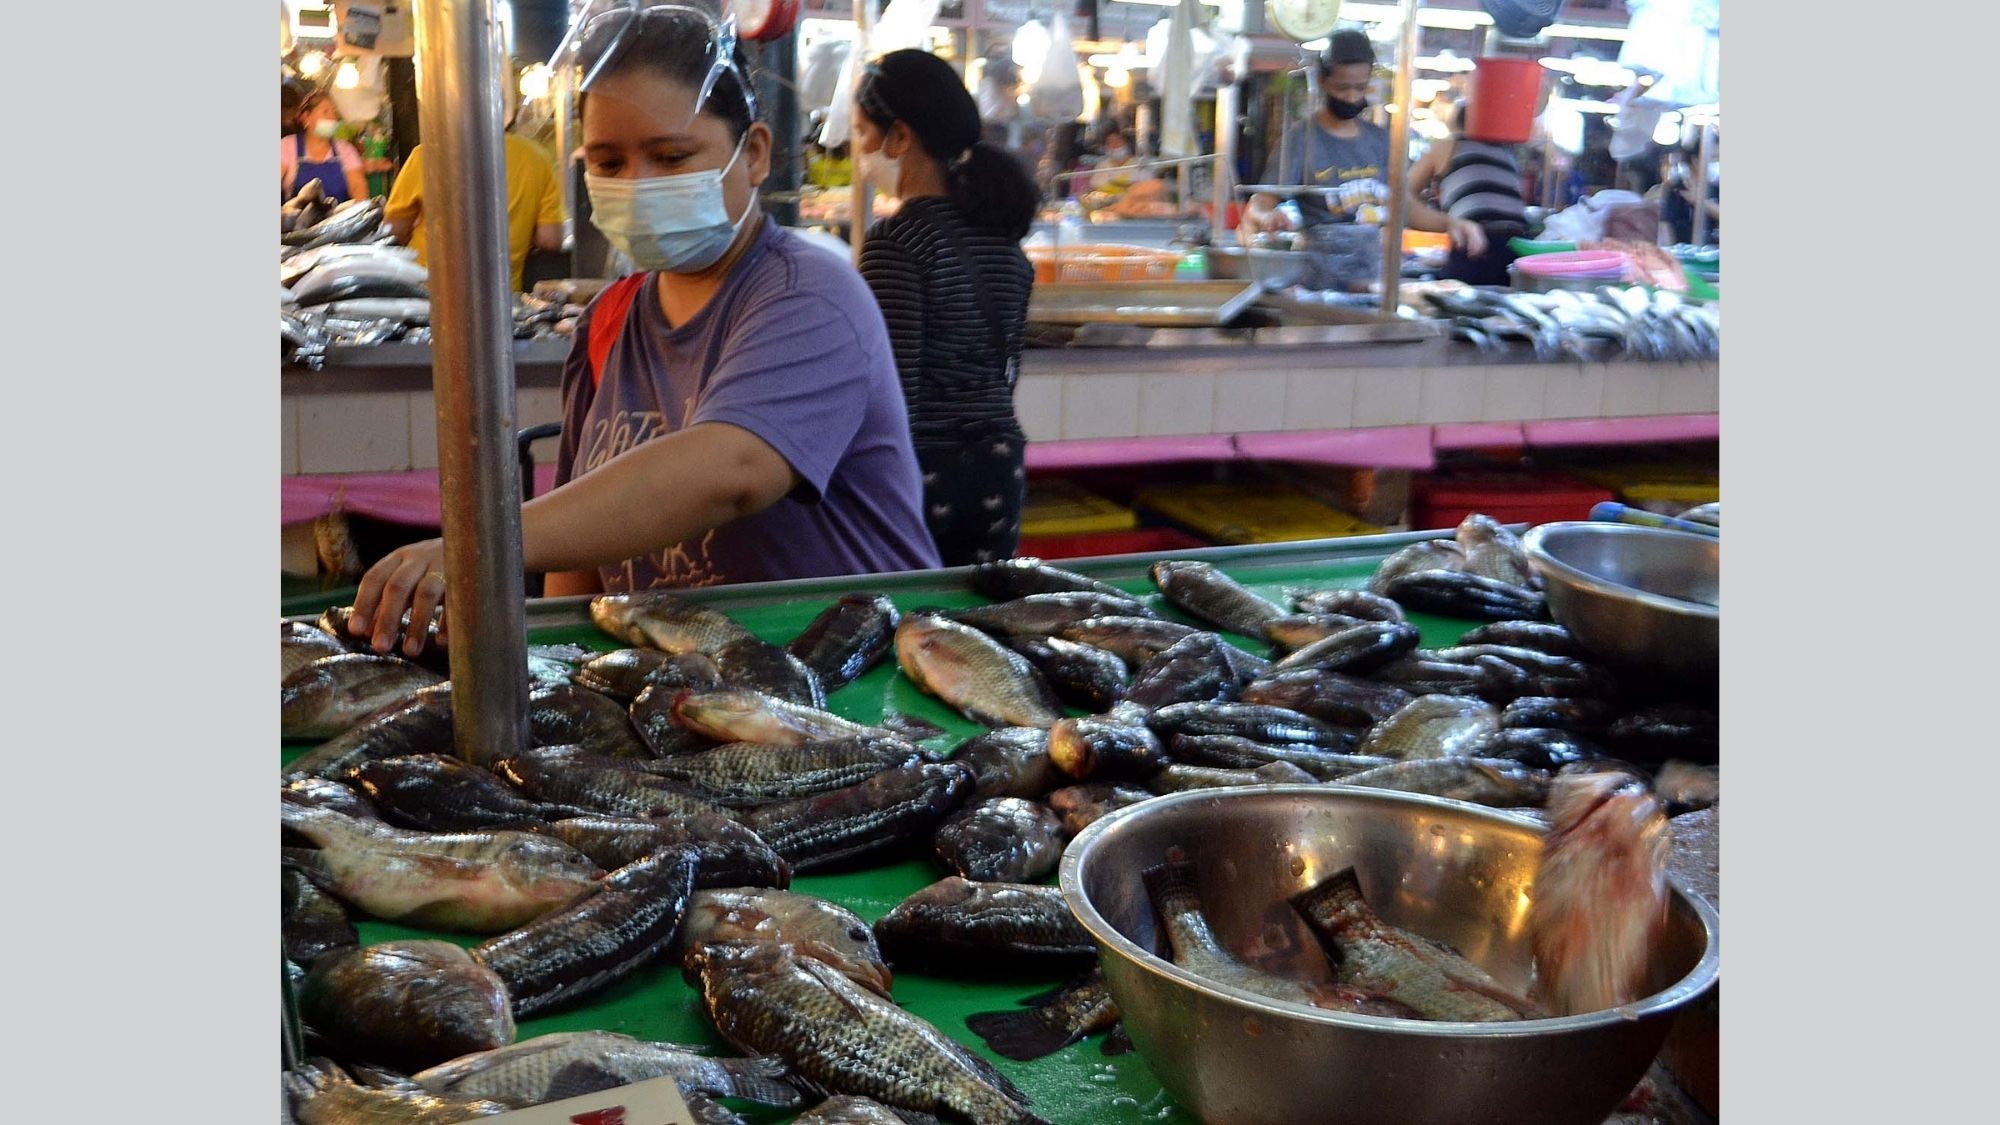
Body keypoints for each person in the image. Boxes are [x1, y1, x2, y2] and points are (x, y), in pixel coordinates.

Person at [347, 5, 939, 655]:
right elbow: (582, 550)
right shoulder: (611, 320)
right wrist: (561, 659)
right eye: (608, 161)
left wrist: (481, 542)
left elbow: (733, 467)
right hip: (691, 687)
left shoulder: (811, 296)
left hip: (852, 679)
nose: (638, 181)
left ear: (756, 155)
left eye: (670, 154)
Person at [852, 48, 1040, 566]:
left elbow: (892, 394)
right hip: (1000, 465)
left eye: (864, 131)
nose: (860, 148)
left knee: (918, 630)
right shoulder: (1002, 236)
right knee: (978, 624)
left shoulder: (898, 240)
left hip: (927, 471)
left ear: (902, 137)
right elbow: (1005, 370)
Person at [1239, 30, 1479, 254]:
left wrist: (1451, 223)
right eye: (1342, 88)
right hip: (1319, 272)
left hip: (1375, 272)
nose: (1352, 97)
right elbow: (1261, 202)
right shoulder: (1300, 140)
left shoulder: (1381, 140)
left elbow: (1404, 207)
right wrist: (1267, 216)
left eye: (1360, 87)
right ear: (1322, 81)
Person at [384, 79, 567, 293]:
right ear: (501, 106)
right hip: (498, 296)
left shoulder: (425, 155)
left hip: (426, 293)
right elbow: (550, 240)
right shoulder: (537, 158)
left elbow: (393, 232)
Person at [1401, 98, 1529, 285]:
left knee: (1458, 301)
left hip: (1475, 241)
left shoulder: (1446, 145)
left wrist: (1432, 216)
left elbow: (1401, 193)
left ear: (1453, 122)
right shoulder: (1507, 152)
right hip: (1519, 245)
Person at [282, 90, 369, 205]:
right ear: (306, 117)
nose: (332, 118)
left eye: (334, 113)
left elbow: (358, 188)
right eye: (326, 112)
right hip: (296, 221)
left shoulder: (345, 149)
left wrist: (360, 211)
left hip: (338, 220)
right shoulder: (287, 146)